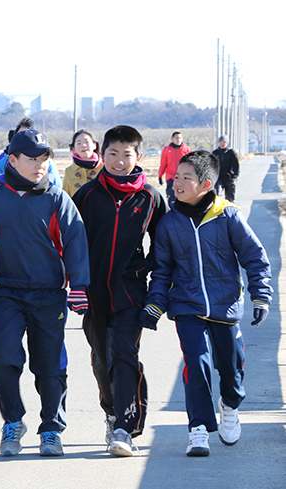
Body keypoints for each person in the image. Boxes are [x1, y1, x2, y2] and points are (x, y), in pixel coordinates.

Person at [0, 128, 90, 457]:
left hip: (49, 294)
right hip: (7, 293)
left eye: (45, 158)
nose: (40, 165)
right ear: (13, 160)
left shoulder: (56, 198)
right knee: (2, 359)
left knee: (49, 366)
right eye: (32, 159)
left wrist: (78, 286)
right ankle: (13, 420)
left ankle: (51, 428)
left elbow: (75, 241)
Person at [141, 150, 271, 457]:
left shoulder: (228, 217)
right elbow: (162, 270)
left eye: (187, 178)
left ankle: (229, 405)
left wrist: (261, 296)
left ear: (207, 184)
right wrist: (154, 304)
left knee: (231, 366)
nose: (178, 183)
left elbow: (254, 257)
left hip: (225, 305)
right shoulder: (169, 224)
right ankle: (198, 428)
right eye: (177, 177)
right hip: (187, 306)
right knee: (196, 362)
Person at [72, 125, 168, 457]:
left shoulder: (151, 197)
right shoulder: (86, 195)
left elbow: (163, 245)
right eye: (112, 154)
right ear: (102, 155)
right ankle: (112, 413)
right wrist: (75, 282)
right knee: (102, 360)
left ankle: (126, 429)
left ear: (138, 157)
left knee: (124, 355)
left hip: (129, 292)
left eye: (126, 155)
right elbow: (70, 242)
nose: (118, 161)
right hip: (93, 292)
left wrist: (143, 269)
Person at [0, 118, 62, 188]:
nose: (40, 165)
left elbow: (57, 186)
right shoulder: (3, 161)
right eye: (20, 136)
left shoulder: (48, 163)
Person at [62, 129, 103, 197]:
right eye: (79, 143)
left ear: (94, 145)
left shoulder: (105, 167)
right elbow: (65, 197)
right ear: (74, 149)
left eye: (86, 142)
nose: (83, 145)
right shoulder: (69, 171)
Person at [158, 131, 191, 205]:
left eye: (180, 138)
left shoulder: (187, 150)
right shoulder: (166, 150)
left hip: (183, 176)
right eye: (177, 138)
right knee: (171, 195)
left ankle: (182, 211)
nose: (178, 140)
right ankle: (171, 212)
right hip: (171, 175)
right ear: (172, 139)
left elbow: (191, 164)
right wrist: (160, 176)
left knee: (182, 195)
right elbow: (163, 164)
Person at [212, 135, 240, 202]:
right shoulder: (215, 153)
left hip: (229, 178)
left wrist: (235, 177)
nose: (222, 144)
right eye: (221, 142)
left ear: (227, 143)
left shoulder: (231, 153)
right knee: (217, 196)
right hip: (218, 178)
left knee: (230, 198)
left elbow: (236, 166)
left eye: (224, 142)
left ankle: (231, 210)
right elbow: (211, 165)